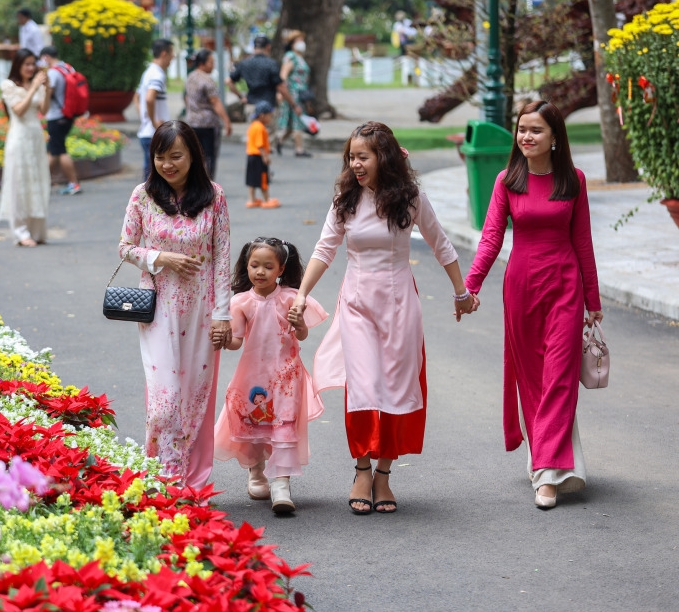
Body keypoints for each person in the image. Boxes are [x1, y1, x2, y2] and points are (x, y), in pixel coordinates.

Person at [291, 121, 474, 515]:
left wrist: (461, 293)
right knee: (361, 386)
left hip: (399, 303)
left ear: (383, 157)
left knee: (395, 386)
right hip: (357, 303)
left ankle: (384, 474)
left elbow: (441, 244)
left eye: (363, 157)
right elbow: (324, 249)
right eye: (352, 157)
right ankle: (361, 467)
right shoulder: (346, 198)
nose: (356, 164)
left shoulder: (410, 198)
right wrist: (302, 294)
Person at [464, 100, 602, 510]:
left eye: (536, 130)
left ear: (554, 137)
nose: (526, 136)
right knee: (534, 380)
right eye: (522, 129)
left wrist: (592, 299)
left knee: (560, 375)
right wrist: (470, 286)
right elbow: (491, 238)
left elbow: (583, 242)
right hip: (521, 287)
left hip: (564, 287)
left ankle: (547, 473)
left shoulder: (573, 180)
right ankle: (548, 458)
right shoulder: (508, 180)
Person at [118, 120, 232, 489]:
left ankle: (193, 481)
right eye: (161, 157)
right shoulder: (143, 195)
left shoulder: (214, 196)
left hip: (202, 308)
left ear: (193, 156)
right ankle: (164, 477)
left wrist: (222, 316)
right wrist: (161, 258)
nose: (168, 165)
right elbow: (125, 248)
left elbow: (222, 258)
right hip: (158, 309)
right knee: (164, 402)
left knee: (195, 397)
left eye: (176, 156)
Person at [213, 237, 328, 514]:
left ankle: (282, 485)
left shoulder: (291, 298)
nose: (260, 272)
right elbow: (237, 341)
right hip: (252, 377)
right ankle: (257, 473)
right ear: (246, 267)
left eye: (268, 266)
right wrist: (223, 337)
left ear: (281, 269)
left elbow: (301, 334)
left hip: (286, 377)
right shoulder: (240, 302)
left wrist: (299, 323)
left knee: (284, 427)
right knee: (254, 427)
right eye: (254, 265)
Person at [0, 49, 51, 248]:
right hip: (19, 137)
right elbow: (18, 110)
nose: (30, 68)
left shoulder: (36, 84)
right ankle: (20, 231)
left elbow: (43, 110)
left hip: (35, 136)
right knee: (19, 182)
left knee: (37, 180)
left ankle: (36, 230)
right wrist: (34, 86)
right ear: (18, 65)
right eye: (26, 64)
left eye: (32, 64)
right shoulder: (8, 85)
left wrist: (47, 87)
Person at [226, 35, 301, 147]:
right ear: (268, 47)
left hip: (251, 105)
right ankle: (264, 161)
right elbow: (281, 87)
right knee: (267, 142)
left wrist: (241, 97)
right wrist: (294, 104)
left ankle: (254, 162)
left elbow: (228, 81)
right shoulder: (271, 64)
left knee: (254, 139)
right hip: (268, 107)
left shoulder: (244, 63)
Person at [39, 45, 82, 196]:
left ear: (46, 57)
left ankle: (74, 183)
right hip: (67, 115)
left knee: (60, 151)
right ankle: (42, 184)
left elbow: (48, 94)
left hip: (56, 116)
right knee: (53, 151)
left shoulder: (53, 72)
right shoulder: (68, 68)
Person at [184, 49, 233, 179]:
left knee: (195, 155)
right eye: (211, 62)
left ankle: (196, 184)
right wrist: (226, 120)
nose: (213, 65)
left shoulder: (190, 77)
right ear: (202, 63)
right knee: (209, 156)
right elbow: (215, 102)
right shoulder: (207, 80)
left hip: (193, 122)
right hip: (208, 123)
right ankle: (209, 186)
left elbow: (186, 98)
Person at [136, 39, 174, 182]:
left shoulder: (148, 72)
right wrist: (153, 122)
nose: (172, 58)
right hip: (153, 133)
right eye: (171, 54)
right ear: (164, 54)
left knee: (151, 175)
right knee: (155, 179)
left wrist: (144, 116)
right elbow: (149, 98)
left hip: (147, 132)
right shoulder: (157, 74)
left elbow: (137, 97)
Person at [276, 30, 312, 158]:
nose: (302, 43)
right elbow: (283, 75)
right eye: (298, 40)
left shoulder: (300, 57)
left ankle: (279, 140)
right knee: (297, 119)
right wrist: (281, 93)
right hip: (293, 93)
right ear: (292, 43)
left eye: (302, 40)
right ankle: (299, 149)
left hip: (301, 93)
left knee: (292, 123)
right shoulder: (290, 56)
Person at [244, 101, 279, 209]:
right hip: (259, 156)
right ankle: (266, 199)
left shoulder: (253, 126)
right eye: (270, 116)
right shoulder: (260, 127)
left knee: (252, 179)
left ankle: (252, 199)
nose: (271, 118)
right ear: (262, 115)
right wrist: (265, 157)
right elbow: (260, 145)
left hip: (251, 156)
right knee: (263, 179)